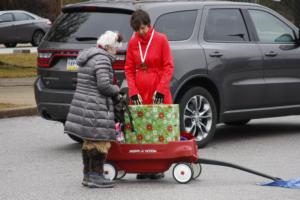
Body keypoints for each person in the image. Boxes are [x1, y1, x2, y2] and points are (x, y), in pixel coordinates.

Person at [64, 31, 122, 188]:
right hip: (95, 107)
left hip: (84, 105)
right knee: (99, 141)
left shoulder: (89, 56)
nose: (116, 51)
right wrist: (116, 89)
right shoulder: (102, 59)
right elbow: (103, 85)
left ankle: (87, 175)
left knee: (89, 141)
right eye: (116, 48)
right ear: (109, 47)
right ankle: (96, 175)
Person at [125, 9, 174, 179]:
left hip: (157, 88)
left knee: (158, 126)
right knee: (140, 128)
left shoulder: (161, 39)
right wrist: (133, 92)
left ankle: (157, 167)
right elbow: (129, 69)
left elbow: (168, 67)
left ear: (149, 25)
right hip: (140, 89)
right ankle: (142, 166)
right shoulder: (133, 43)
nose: (141, 32)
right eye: (137, 30)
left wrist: (161, 90)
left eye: (143, 28)